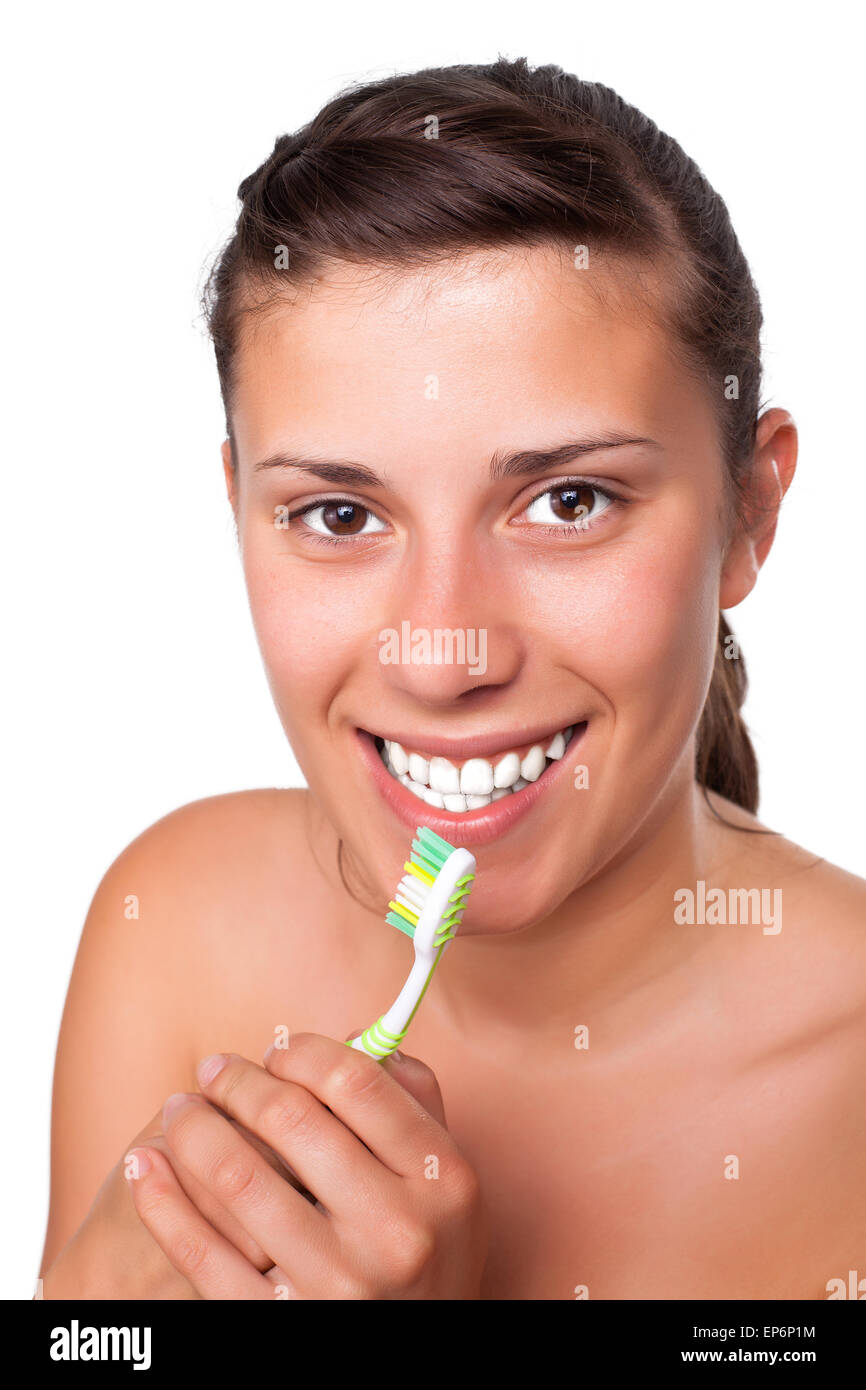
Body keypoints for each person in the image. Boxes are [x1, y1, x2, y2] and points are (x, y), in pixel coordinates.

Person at [40, 56, 866, 1300]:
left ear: (747, 512)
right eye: (336, 514)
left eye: (566, 500)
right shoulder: (169, 929)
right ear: (236, 511)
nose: (444, 652)